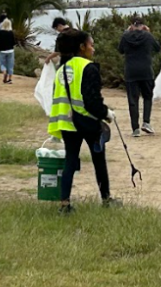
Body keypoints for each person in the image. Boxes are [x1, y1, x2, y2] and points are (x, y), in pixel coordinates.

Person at [48, 28, 118, 213]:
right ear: (82, 47)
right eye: (91, 45)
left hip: (66, 123)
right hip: (87, 123)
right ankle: (106, 199)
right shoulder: (88, 68)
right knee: (98, 160)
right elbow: (91, 101)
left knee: (70, 161)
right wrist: (107, 114)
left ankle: (64, 204)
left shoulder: (61, 69)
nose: (93, 49)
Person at [118, 17, 160, 136]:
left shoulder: (126, 36)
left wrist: (126, 32)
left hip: (131, 71)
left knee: (133, 100)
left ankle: (135, 128)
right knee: (147, 97)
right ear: (143, 25)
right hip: (146, 70)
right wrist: (149, 33)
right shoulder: (147, 36)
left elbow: (120, 50)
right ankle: (146, 122)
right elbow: (157, 48)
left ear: (131, 25)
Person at [0, 18, 15, 84]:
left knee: (2, 63)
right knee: (10, 65)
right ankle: (10, 79)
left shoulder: (1, 33)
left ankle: (4, 72)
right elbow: (13, 42)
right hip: (10, 50)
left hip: (2, 50)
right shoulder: (11, 33)